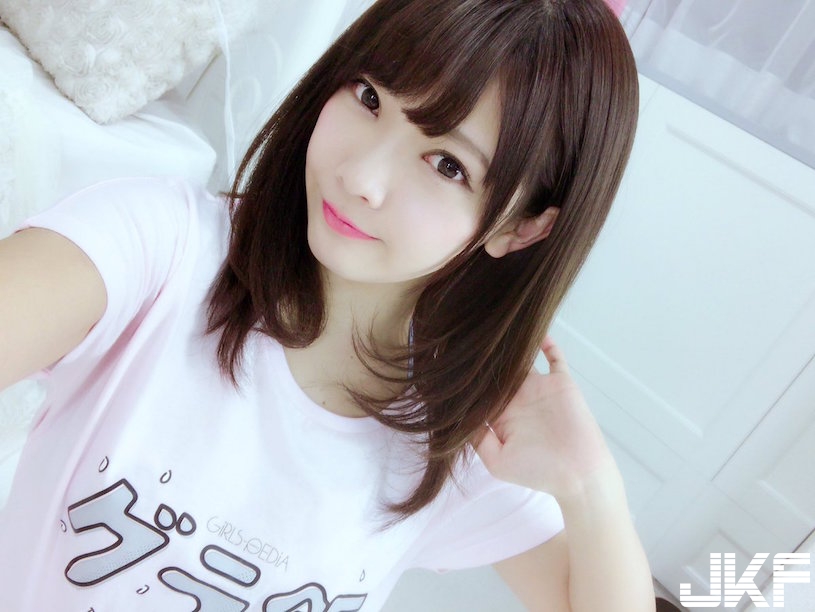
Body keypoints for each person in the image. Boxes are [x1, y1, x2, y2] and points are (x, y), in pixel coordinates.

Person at [0, 0, 655, 610]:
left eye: (446, 164)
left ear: (522, 228)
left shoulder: (456, 440)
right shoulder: (162, 249)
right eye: (369, 98)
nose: (361, 177)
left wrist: (592, 488)